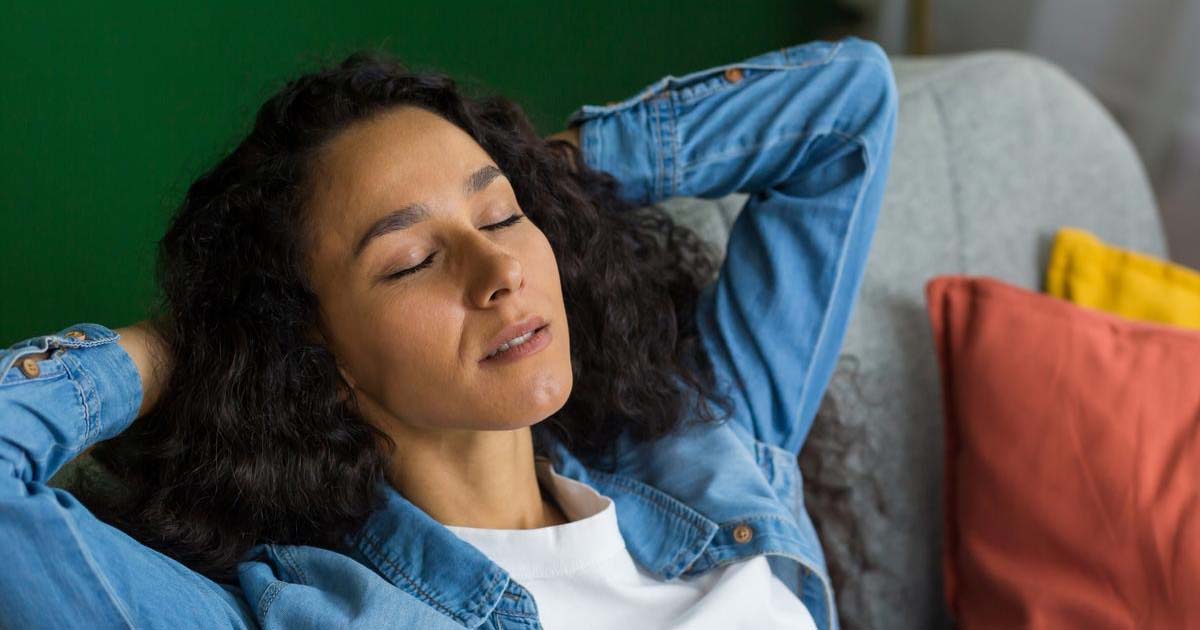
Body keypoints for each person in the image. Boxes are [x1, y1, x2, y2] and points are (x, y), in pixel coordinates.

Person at [0, 35, 896, 629]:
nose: (500, 271)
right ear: (313, 349)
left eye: (502, 217)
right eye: (411, 262)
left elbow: (847, 108)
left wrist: (544, 171)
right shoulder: (300, 615)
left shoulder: (700, 445)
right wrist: (198, 342)